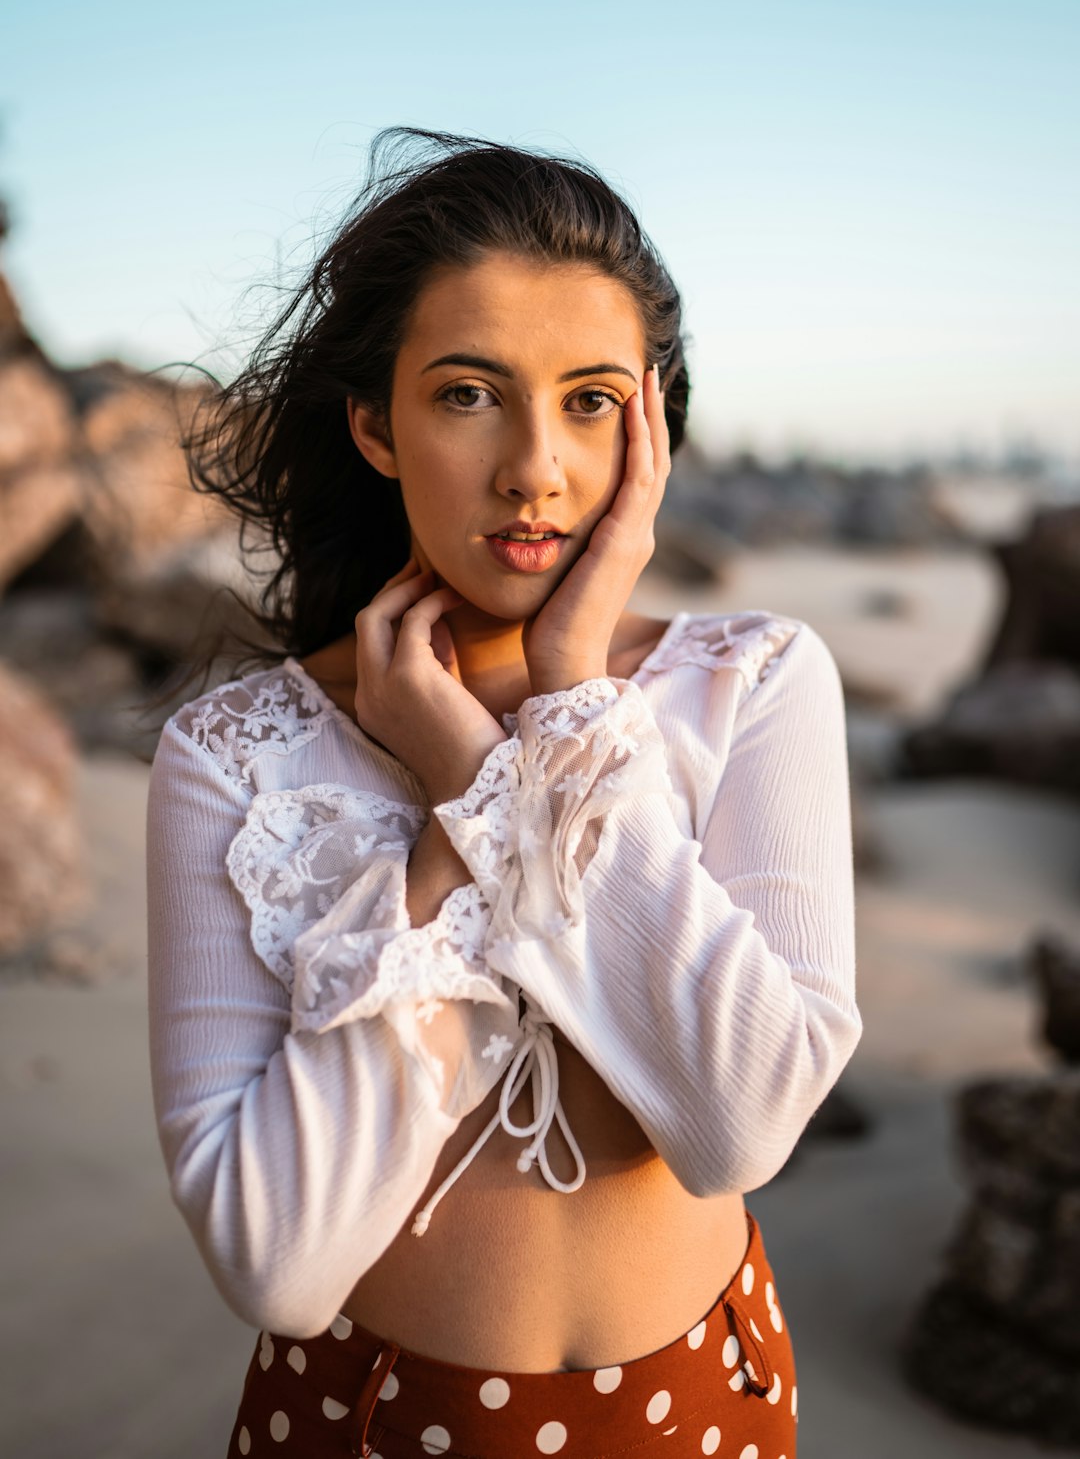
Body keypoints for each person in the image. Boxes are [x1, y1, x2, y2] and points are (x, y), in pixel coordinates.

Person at [146, 128, 862, 1459]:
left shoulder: (756, 683)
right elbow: (280, 1263)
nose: (536, 465)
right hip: (361, 1424)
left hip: (706, 1409)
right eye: (471, 393)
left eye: (591, 399)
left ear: (651, 424)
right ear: (376, 423)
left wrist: (518, 751)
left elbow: (742, 1119)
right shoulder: (234, 755)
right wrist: (435, 857)